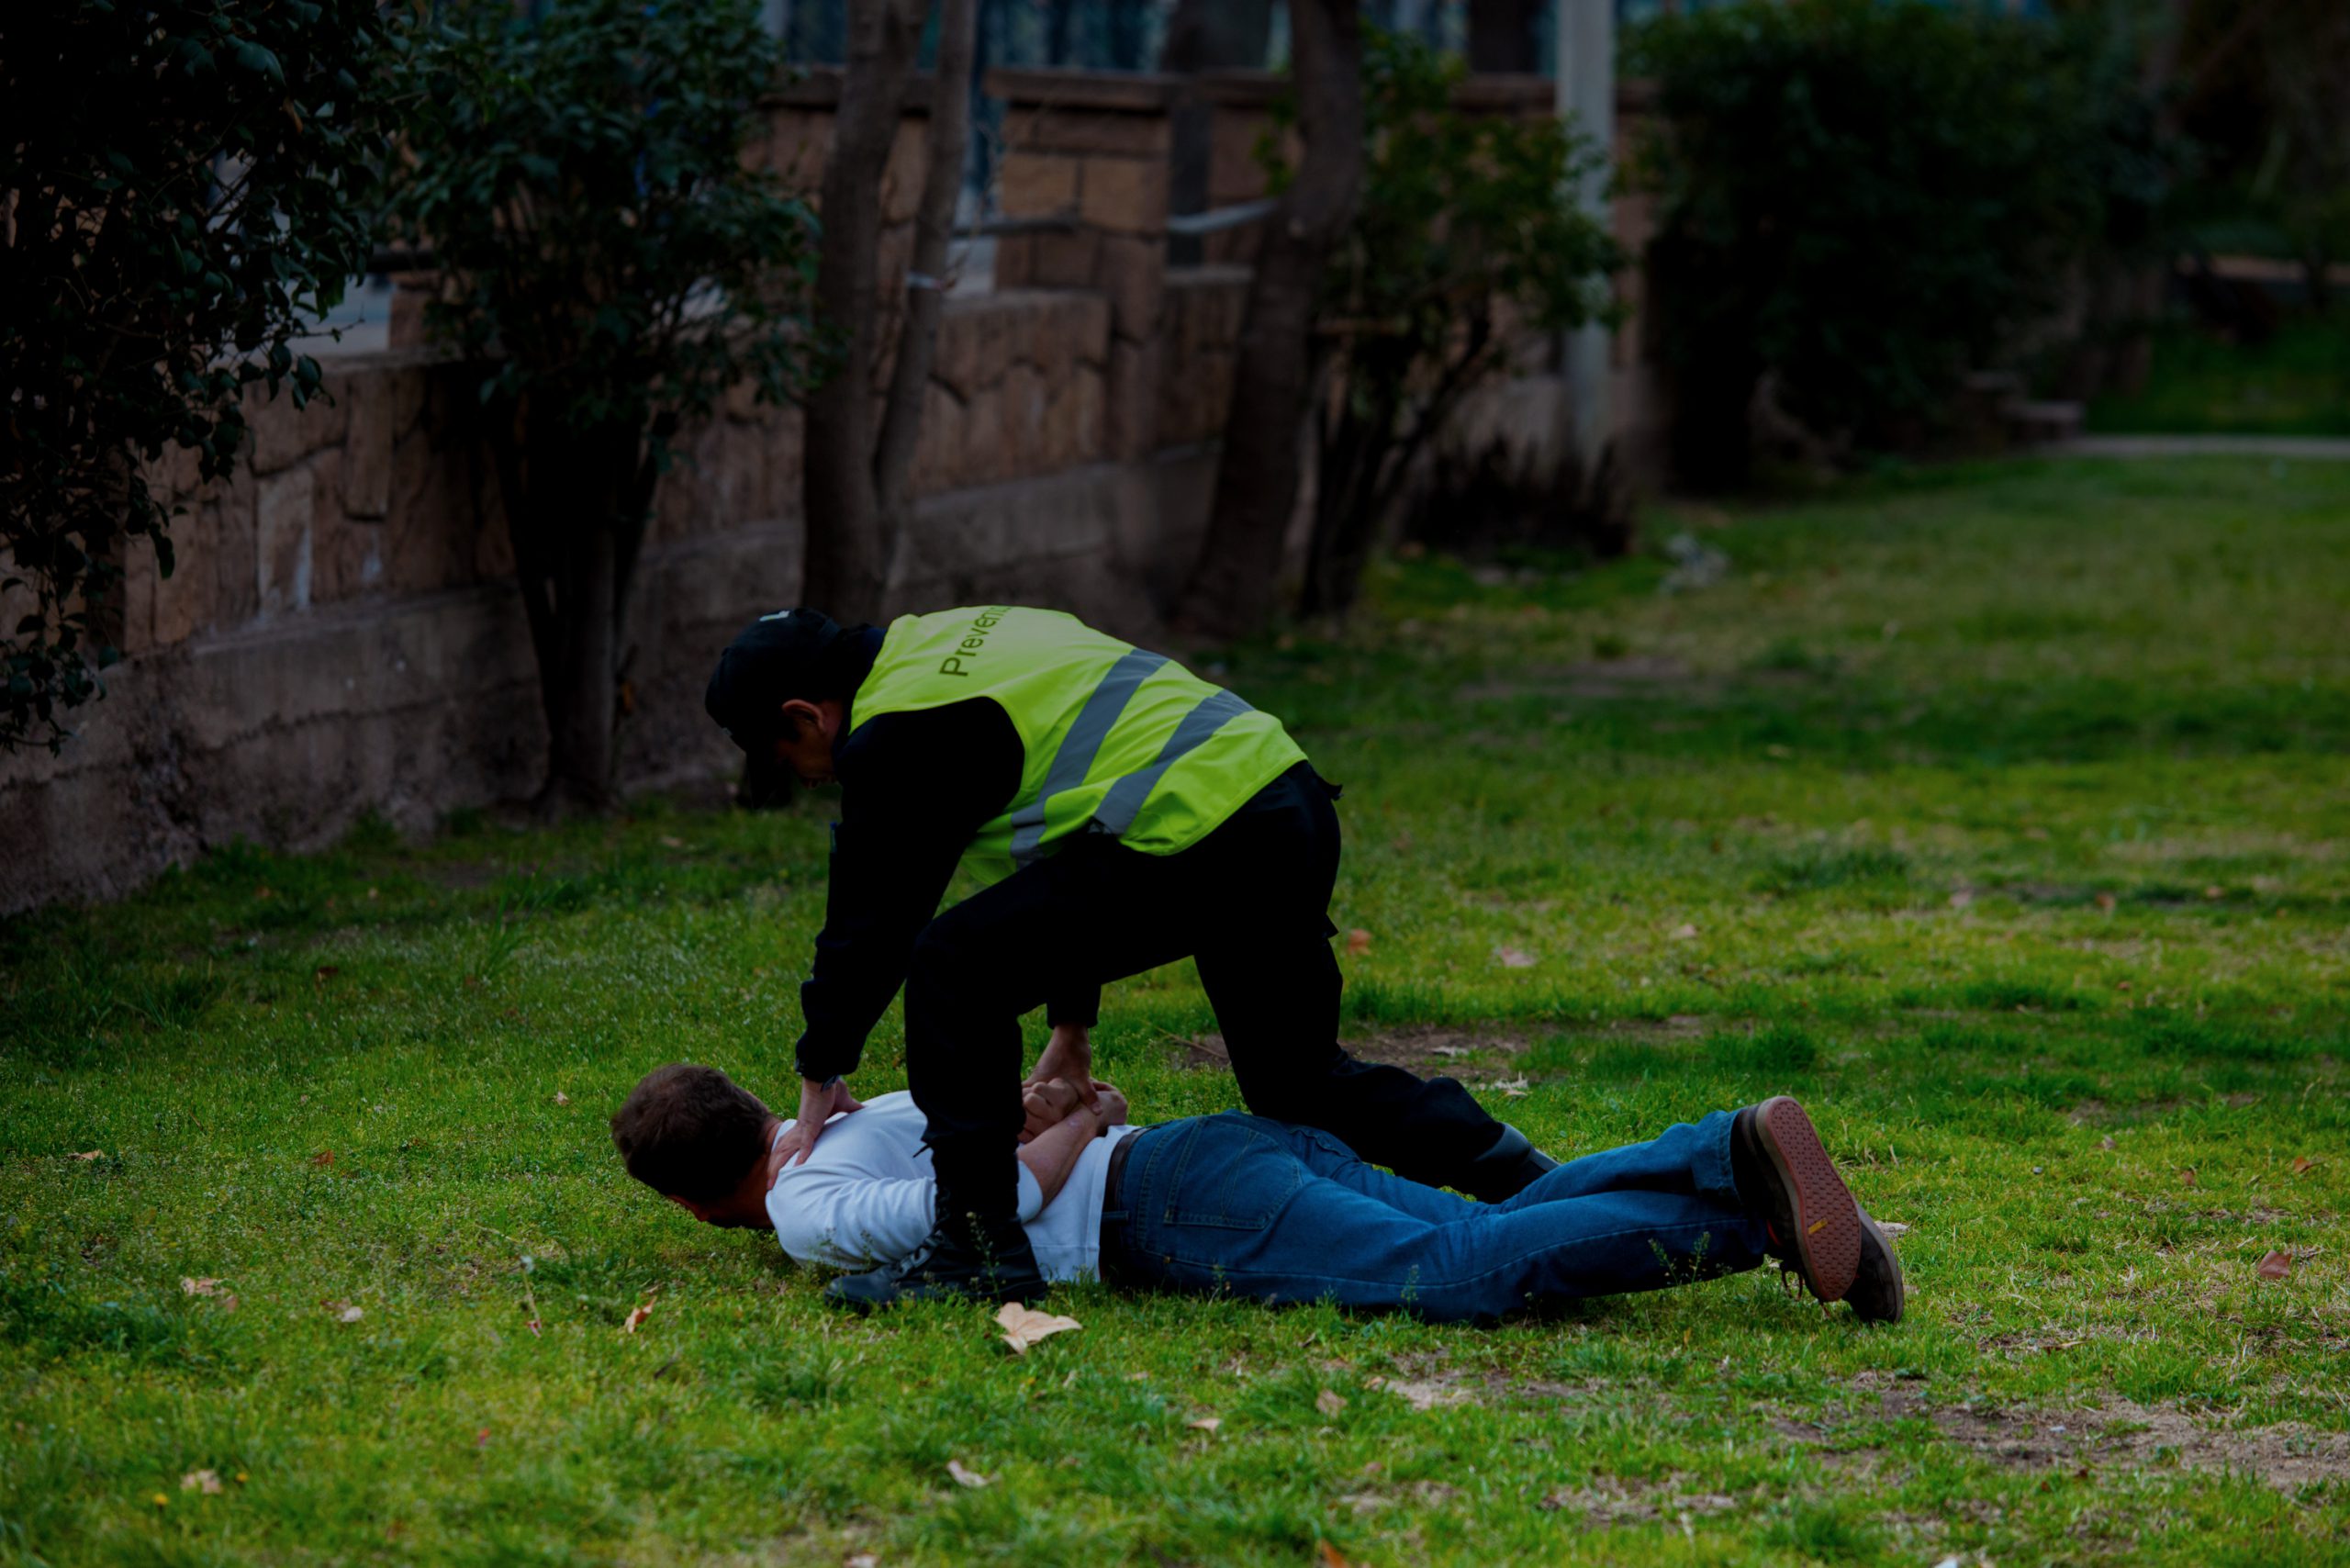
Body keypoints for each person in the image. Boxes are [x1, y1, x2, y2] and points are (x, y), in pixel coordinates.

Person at [701, 605, 1561, 1308]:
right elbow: (1069, 840)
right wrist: (1071, 1028)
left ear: (805, 716)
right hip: (1277, 798)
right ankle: (1527, 1176)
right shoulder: (952, 641)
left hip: (1202, 833)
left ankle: (977, 1250)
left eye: (790, 761)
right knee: (1297, 1082)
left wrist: (821, 1070)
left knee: (950, 967)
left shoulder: (896, 735)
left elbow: (871, 921)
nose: (812, 780)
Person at [609, 1062, 1906, 1325]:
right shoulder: (858, 1114)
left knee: (1455, 1275)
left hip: (1170, 1209)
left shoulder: (801, 1208)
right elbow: (1022, 1110)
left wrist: (1080, 1125)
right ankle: (1724, 1147)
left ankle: (1753, 1221)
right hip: (1211, 1149)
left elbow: (988, 1199)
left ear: (694, 1202)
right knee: (1482, 1228)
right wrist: (1089, 1105)